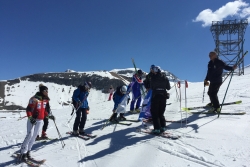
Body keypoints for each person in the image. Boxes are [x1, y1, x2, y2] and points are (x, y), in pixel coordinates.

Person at [20, 85, 55, 160]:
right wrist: (30, 117)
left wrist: (49, 116)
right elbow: (28, 109)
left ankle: (28, 151)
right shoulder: (34, 99)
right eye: (46, 91)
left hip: (40, 120)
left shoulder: (45, 100)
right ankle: (23, 152)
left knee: (34, 136)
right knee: (30, 135)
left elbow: (44, 111)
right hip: (32, 119)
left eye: (47, 91)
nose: (47, 92)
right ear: (42, 91)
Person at [150, 66, 170, 135]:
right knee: (161, 113)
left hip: (156, 96)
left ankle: (157, 129)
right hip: (163, 97)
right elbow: (168, 87)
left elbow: (151, 87)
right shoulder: (165, 77)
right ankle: (163, 127)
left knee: (155, 113)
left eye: (152, 70)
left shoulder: (153, 78)